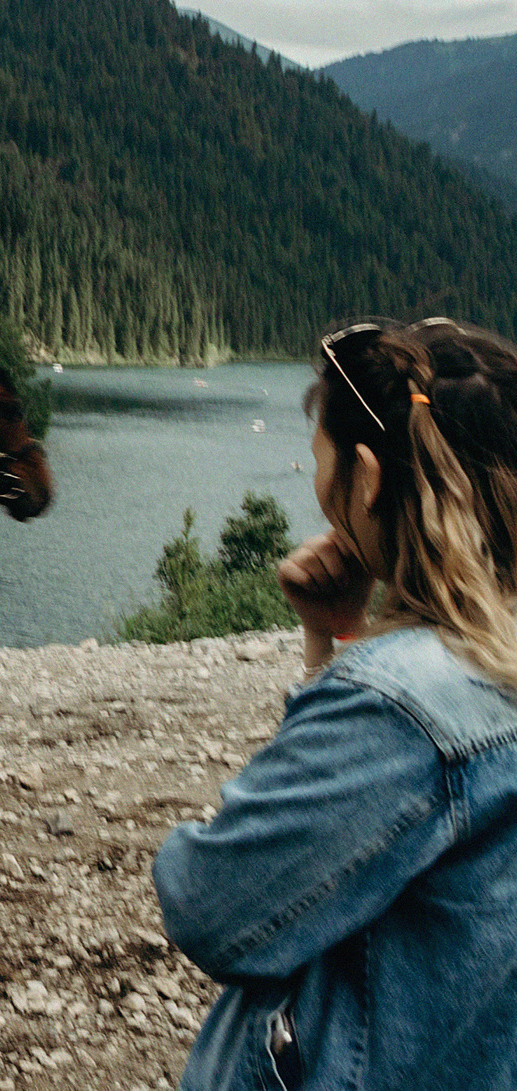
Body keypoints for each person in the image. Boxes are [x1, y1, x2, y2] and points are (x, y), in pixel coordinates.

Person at [154, 317, 517, 1091]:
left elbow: (208, 899)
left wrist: (354, 667)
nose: (324, 503)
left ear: (368, 477)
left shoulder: (406, 702)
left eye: (324, 473)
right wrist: (336, 638)